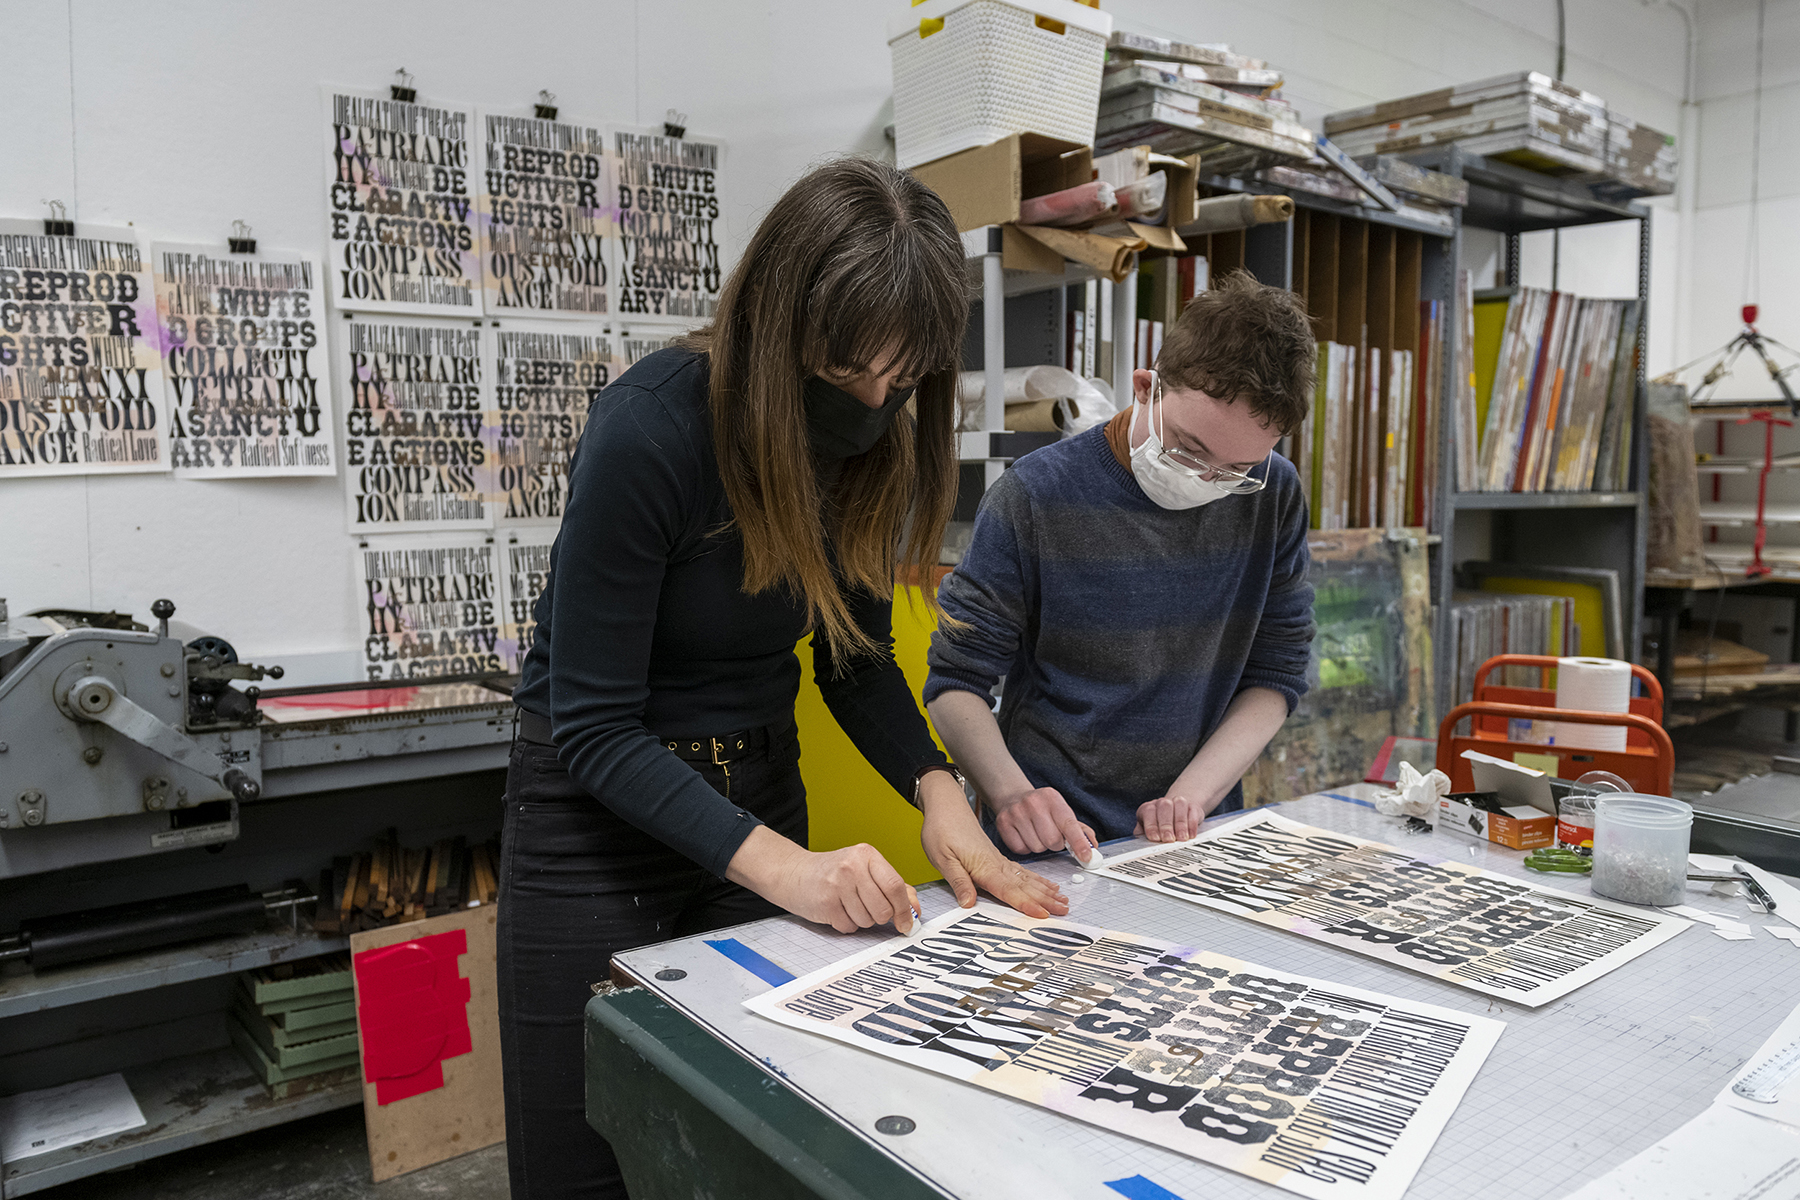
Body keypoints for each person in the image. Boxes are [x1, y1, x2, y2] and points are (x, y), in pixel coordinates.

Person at [498, 157, 1068, 1200]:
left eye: (900, 383)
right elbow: (591, 728)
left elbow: (853, 656)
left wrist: (944, 794)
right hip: (591, 826)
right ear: (777, 320)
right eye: (848, 373)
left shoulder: (875, 435)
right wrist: (791, 872)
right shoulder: (652, 427)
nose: (872, 405)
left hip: (759, 790)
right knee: (584, 1160)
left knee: (752, 1145)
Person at [925, 271, 1317, 860]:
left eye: (1234, 470)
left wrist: (1190, 799)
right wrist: (1010, 796)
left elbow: (1276, 674)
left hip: (1194, 831)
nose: (1206, 479)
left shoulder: (1272, 492)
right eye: (1189, 449)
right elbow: (955, 686)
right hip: (1052, 835)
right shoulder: (1034, 496)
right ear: (1146, 388)